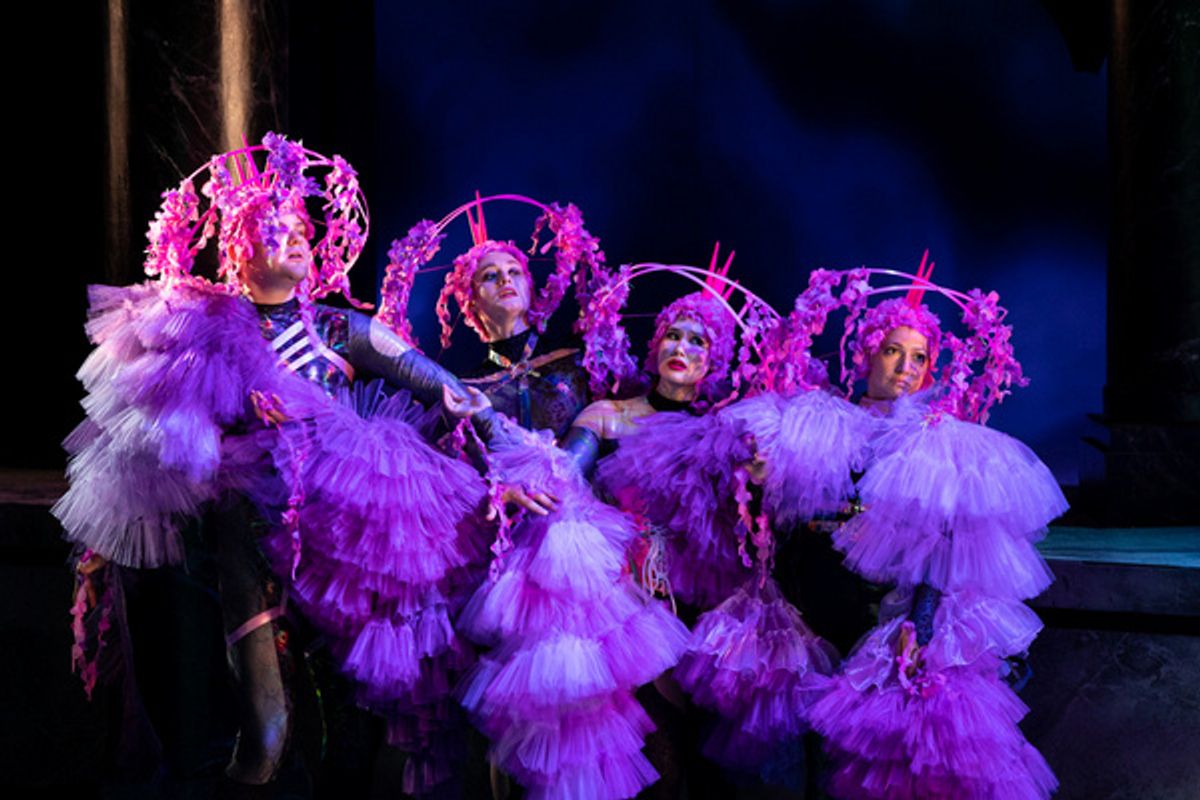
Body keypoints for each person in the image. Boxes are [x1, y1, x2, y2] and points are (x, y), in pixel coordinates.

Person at [54, 134, 513, 794]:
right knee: (263, 738)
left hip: (344, 550)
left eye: (302, 227)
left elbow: (450, 390)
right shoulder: (191, 325)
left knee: (360, 735)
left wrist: (522, 464)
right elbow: (140, 441)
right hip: (236, 550)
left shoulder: (341, 330)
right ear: (237, 247)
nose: (295, 237)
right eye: (275, 226)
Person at [804, 268, 1068, 799]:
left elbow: (943, 540)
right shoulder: (827, 419)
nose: (905, 368)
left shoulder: (933, 436)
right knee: (824, 752)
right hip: (825, 599)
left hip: (897, 614)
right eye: (892, 351)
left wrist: (919, 625)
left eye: (919, 357)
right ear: (866, 353)